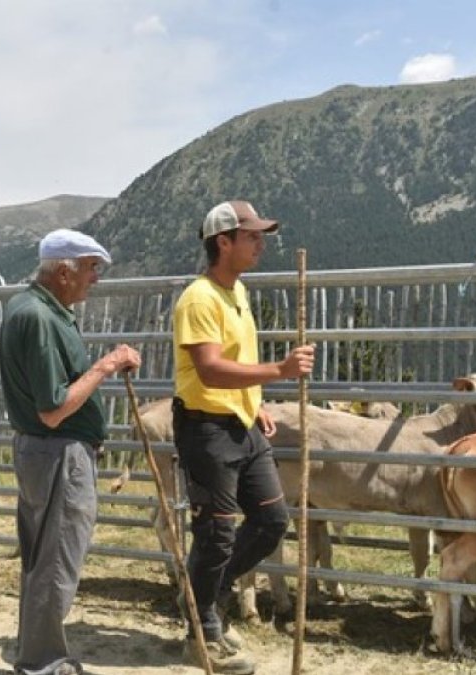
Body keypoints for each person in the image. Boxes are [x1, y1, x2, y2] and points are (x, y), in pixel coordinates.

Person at [172, 200, 315, 674]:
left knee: (272, 521)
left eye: (261, 235)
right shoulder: (199, 298)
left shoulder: (239, 292)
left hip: (242, 425)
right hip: (207, 428)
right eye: (252, 236)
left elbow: (236, 362)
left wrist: (254, 407)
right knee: (215, 535)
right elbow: (210, 369)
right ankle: (202, 632)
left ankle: (203, 596)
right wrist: (280, 370)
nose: (261, 243)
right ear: (223, 242)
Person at [0, 229, 142, 675]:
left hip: (45, 453)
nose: (94, 279)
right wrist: (107, 365)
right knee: (57, 559)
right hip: (58, 452)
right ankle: (43, 663)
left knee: (44, 557)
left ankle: (37, 655)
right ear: (63, 271)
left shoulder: (36, 309)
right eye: (90, 268)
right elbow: (54, 409)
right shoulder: (39, 317)